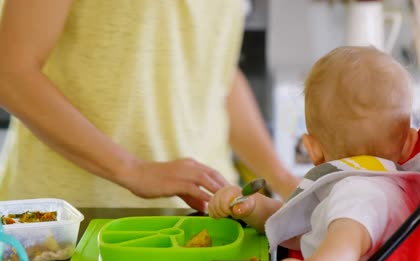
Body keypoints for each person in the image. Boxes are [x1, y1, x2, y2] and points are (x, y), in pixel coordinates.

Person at [0, 0, 299, 212]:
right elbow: (10, 73)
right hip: (77, 216)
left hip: (208, 214)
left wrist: (284, 180)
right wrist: (132, 169)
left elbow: (216, 75)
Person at [208, 46, 420, 261]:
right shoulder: (386, 189)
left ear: (312, 149)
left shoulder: (357, 193)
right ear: (409, 143)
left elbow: (342, 253)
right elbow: (306, 231)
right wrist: (253, 207)